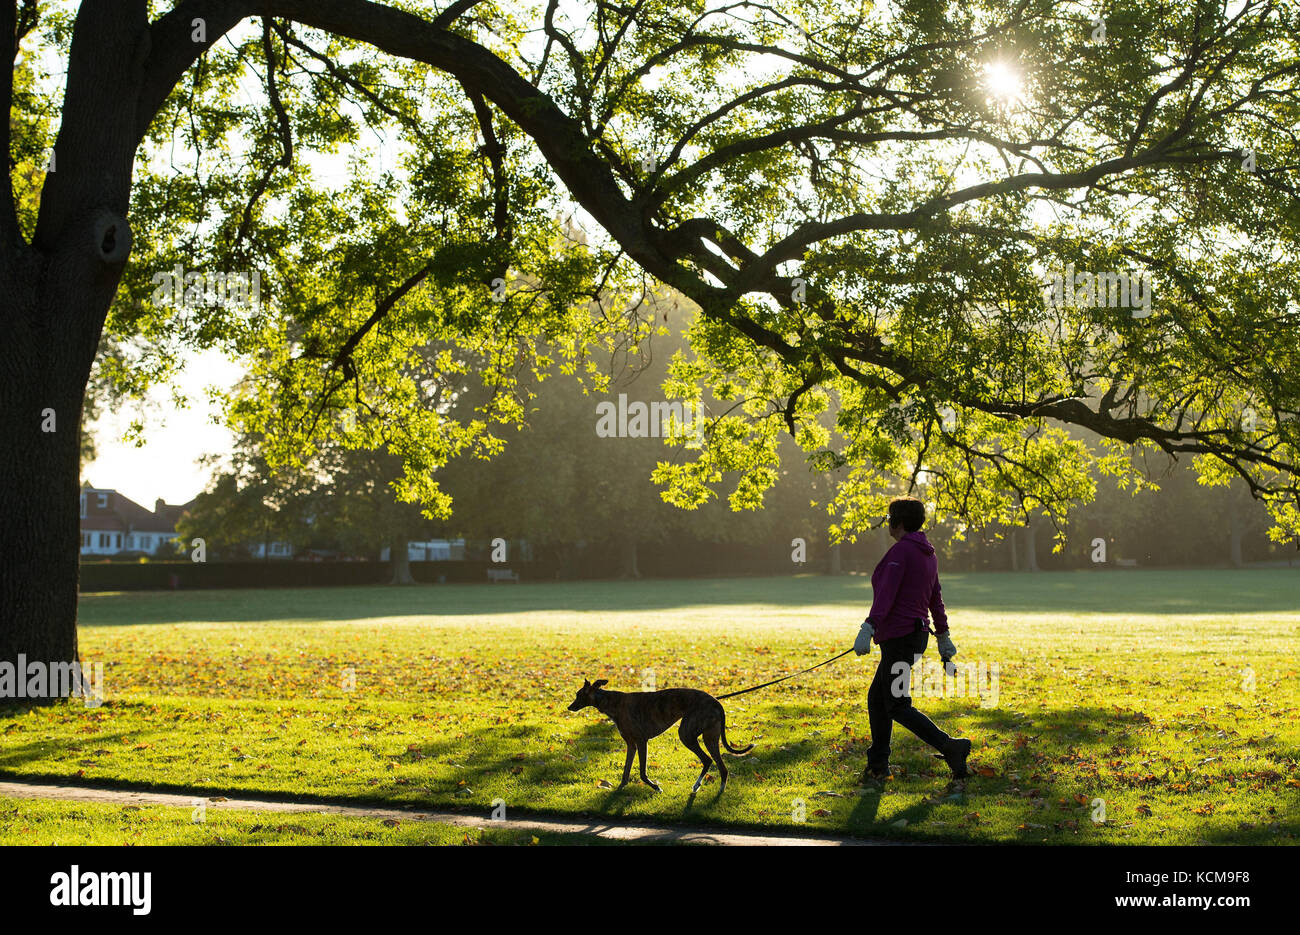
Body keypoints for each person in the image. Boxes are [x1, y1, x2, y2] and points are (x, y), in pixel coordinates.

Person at [852, 496, 971, 784]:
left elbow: (887, 594)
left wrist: (869, 626)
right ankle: (878, 765)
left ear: (900, 522)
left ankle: (950, 746)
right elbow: (935, 598)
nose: (888, 522)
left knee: (896, 703)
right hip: (913, 637)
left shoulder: (902, 552)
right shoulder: (927, 553)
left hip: (901, 637)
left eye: (891, 517)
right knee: (879, 699)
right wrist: (943, 636)